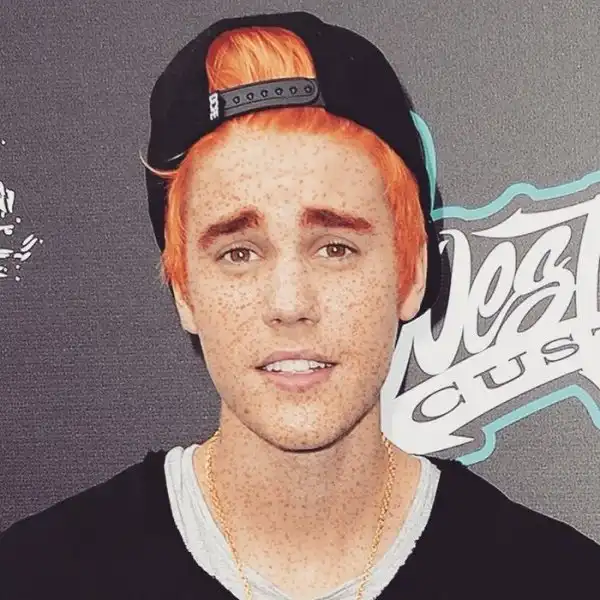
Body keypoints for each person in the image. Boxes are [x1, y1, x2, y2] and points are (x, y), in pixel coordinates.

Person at [0, 10, 598, 600]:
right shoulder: (35, 577)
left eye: (335, 248)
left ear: (411, 273)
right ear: (184, 290)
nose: (289, 304)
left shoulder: (558, 580)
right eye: (238, 253)